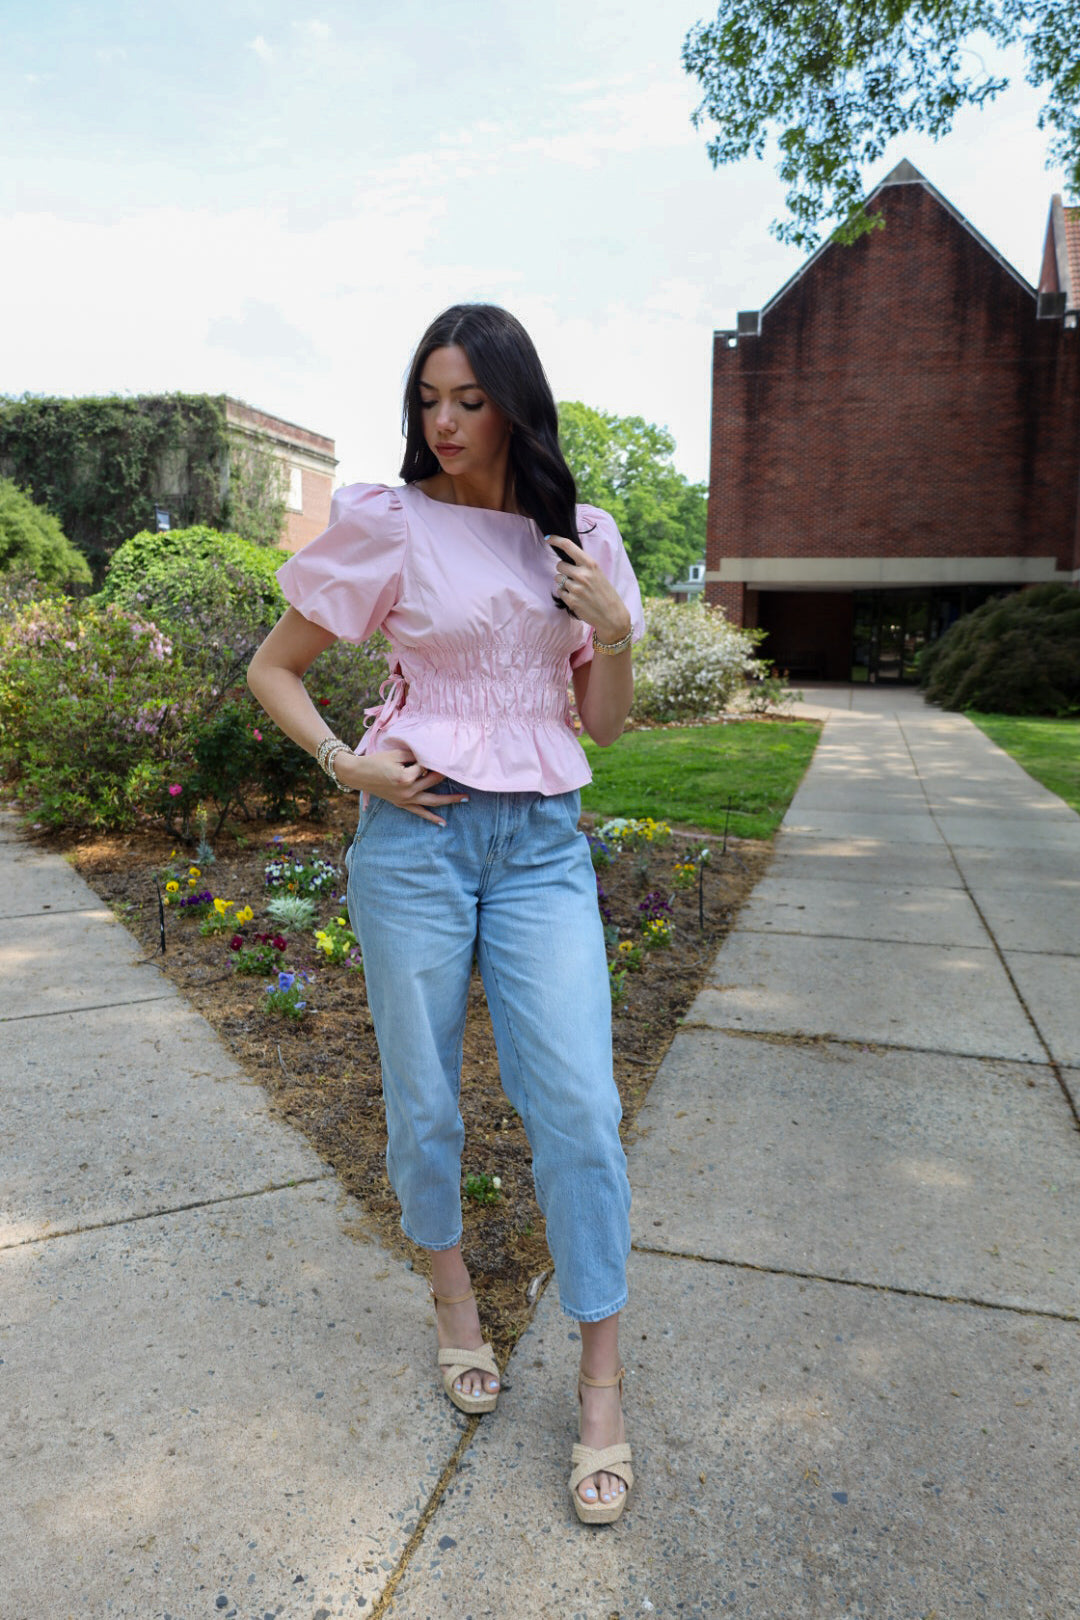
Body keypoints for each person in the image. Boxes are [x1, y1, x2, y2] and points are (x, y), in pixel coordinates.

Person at [247, 303, 644, 1525]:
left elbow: (607, 726)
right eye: (429, 398)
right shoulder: (391, 522)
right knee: (425, 1098)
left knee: (578, 1103)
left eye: (469, 399)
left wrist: (618, 631)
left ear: (516, 401)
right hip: (414, 840)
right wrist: (343, 764)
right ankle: (455, 1305)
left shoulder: (580, 538)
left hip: (537, 847)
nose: (446, 422)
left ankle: (601, 1383)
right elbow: (276, 666)